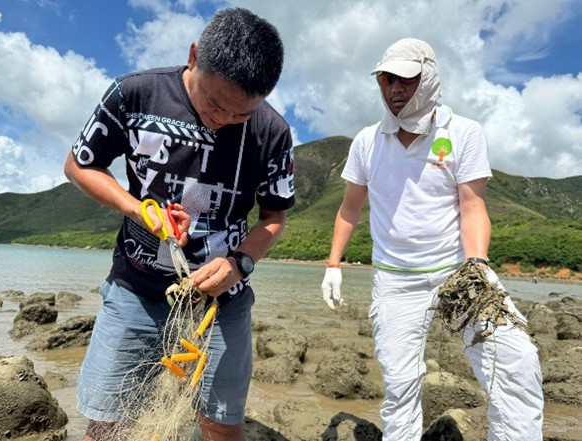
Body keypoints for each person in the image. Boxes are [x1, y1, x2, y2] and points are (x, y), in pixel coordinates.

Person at [65, 7, 294, 441]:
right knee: (109, 424)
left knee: (221, 425)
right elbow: (79, 165)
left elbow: (274, 216)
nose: (222, 121)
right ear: (194, 56)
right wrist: (138, 210)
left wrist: (239, 263)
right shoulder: (134, 94)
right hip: (137, 287)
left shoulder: (272, 132)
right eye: (214, 104)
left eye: (240, 115)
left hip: (222, 302)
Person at [321, 38, 543, 440]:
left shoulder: (464, 133)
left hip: (459, 271)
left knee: (515, 362)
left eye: (406, 79)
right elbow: (349, 209)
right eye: (386, 79)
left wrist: (477, 264)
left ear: (429, 79)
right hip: (395, 281)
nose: (394, 89)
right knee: (400, 387)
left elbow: (473, 206)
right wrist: (333, 265)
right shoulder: (367, 142)